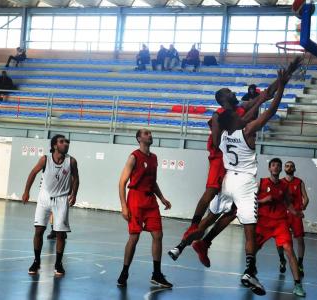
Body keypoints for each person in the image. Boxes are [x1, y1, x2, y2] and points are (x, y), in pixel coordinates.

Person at [168, 58, 302, 263]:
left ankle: (198, 243)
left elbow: (267, 94)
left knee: (232, 212)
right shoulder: (219, 115)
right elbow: (216, 140)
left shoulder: (241, 108)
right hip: (220, 159)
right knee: (211, 194)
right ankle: (191, 231)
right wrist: (239, 125)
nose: (233, 92)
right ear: (223, 99)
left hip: (234, 166)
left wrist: (288, 72)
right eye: (229, 91)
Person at [117, 128, 173, 288]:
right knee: (134, 237)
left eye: (150, 133)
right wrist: (123, 206)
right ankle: (124, 271)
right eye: (146, 133)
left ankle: (156, 274)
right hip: (135, 198)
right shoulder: (133, 157)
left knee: (158, 235)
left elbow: (152, 181)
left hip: (150, 200)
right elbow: (122, 182)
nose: (150, 135)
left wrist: (162, 198)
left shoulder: (154, 158)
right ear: (139, 138)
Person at [22, 134, 79, 276]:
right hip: (44, 198)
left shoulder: (71, 161)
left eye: (67, 142)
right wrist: (26, 191)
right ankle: (36, 261)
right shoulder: (45, 159)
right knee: (39, 231)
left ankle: (58, 264)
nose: (66, 144)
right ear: (55, 145)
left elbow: (76, 178)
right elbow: (32, 173)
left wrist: (74, 194)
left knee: (60, 234)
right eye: (62, 142)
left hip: (61, 200)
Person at [256, 158, 306, 297]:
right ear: (269, 168)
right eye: (273, 165)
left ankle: (297, 284)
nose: (276, 167)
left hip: (280, 223)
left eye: (278, 165)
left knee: (289, 250)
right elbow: (251, 199)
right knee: (253, 249)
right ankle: (249, 272)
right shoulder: (261, 182)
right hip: (264, 222)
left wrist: (296, 212)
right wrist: (262, 200)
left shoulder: (284, 186)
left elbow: (288, 203)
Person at [277, 161, 309, 277]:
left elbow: (306, 198)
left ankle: (300, 264)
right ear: (284, 168)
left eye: (291, 166)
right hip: (283, 216)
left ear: (294, 168)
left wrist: (303, 207)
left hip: (295, 215)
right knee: (280, 241)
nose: (289, 167)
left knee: (300, 240)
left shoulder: (299, 182)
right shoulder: (280, 182)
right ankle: (282, 260)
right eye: (287, 166)